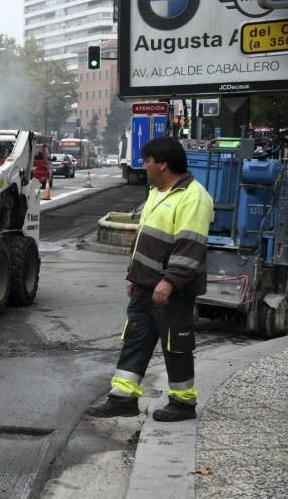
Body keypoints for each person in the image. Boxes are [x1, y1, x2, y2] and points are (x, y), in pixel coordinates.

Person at [86, 136, 213, 422]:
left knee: (175, 344)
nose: (144, 166)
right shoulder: (157, 192)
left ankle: (182, 402)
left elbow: (189, 247)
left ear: (163, 164)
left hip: (173, 290)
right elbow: (144, 239)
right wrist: (134, 275)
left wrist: (169, 282)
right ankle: (122, 398)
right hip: (145, 286)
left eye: (147, 161)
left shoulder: (195, 197)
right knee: (135, 339)